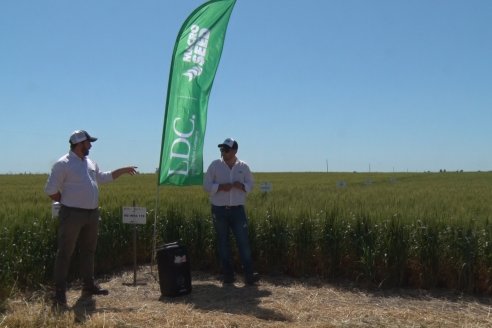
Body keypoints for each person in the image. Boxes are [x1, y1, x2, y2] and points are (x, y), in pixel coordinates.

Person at [45, 130, 138, 309]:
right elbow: (51, 190)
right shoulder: (62, 164)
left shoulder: (90, 162)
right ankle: (59, 292)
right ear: (80, 143)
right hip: (72, 214)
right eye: (89, 142)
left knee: (89, 250)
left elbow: (103, 177)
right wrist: (66, 203)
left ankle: (88, 286)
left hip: (92, 214)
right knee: (65, 253)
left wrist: (123, 170)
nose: (91, 145)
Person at [203, 137, 259, 285]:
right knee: (223, 243)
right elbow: (206, 185)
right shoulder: (215, 165)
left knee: (243, 242)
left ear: (234, 151)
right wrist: (221, 187)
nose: (223, 152)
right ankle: (228, 276)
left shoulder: (243, 166)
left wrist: (241, 186)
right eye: (221, 149)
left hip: (237, 210)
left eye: (226, 149)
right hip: (219, 210)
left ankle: (249, 275)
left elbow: (251, 185)